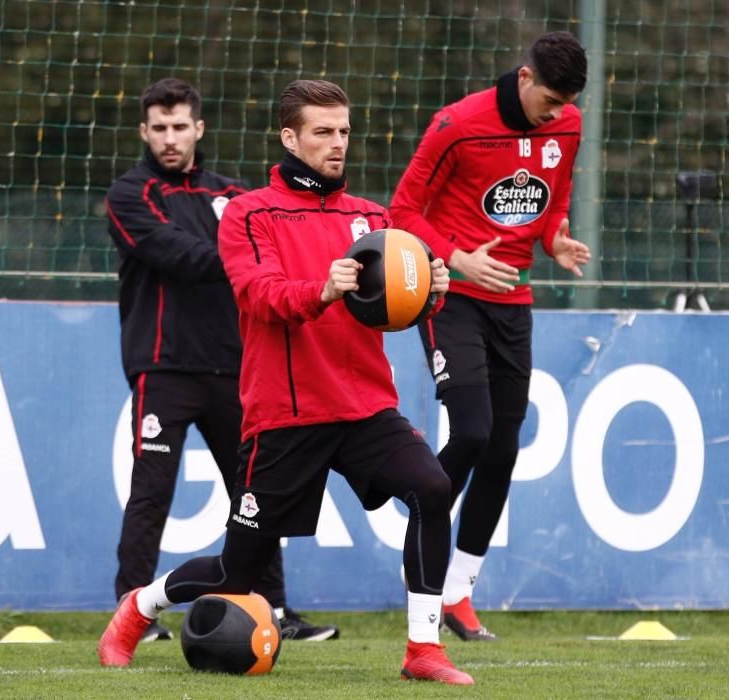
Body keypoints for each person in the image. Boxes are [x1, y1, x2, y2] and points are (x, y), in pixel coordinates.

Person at [98, 78, 474, 686]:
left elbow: (398, 309)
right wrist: (320, 289)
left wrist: (432, 292)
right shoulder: (248, 214)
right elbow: (257, 294)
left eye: (344, 131)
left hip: (364, 410)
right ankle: (139, 605)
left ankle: (423, 651)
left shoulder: (372, 218)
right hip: (286, 417)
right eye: (323, 132)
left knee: (432, 489)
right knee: (235, 575)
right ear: (289, 137)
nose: (337, 144)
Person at [105, 77, 338, 643]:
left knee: (256, 494)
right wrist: (245, 261)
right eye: (158, 128)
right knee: (152, 490)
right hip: (163, 368)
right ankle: (134, 611)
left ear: (198, 128)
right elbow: (176, 254)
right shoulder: (129, 195)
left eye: (179, 126)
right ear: (144, 131)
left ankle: (274, 609)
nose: (169, 138)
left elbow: (278, 250)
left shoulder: (234, 196)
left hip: (235, 369)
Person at [389, 31, 592, 641]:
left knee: (503, 445)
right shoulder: (457, 125)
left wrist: (554, 237)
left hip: (513, 299)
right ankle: (425, 514)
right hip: (450, 295)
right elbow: (401, 211)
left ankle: (459, 595)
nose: (557, 113)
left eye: (566, 103)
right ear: (525, 78)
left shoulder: (568, 124)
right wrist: (456, 258)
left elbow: (553, 201)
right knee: (472, 430)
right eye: (550, 99)